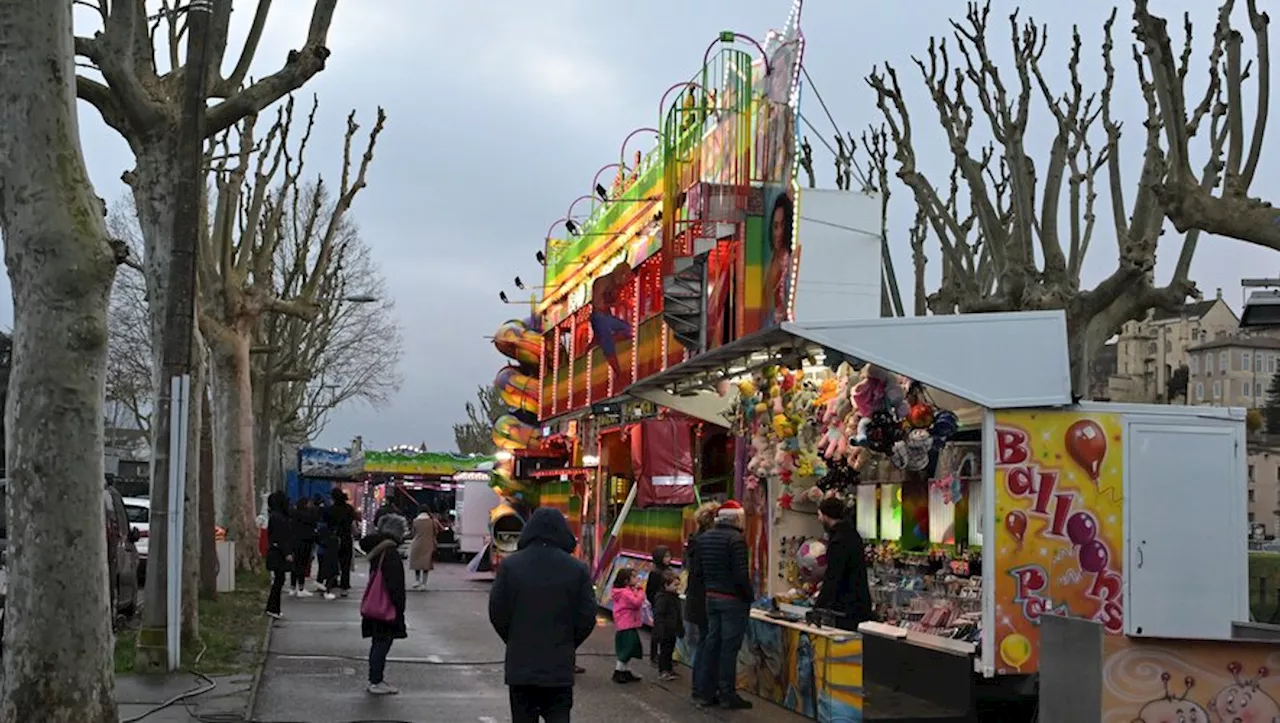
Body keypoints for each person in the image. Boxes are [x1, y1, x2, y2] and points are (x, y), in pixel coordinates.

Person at [489, 508, 596, 723]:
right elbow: (587, 617)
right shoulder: (577, 569)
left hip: (521, 666)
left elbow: (497, 612)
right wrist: (568, 642)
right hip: (558, 667)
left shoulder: (510, 566)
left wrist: (514, 638)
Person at [690, 499, 754, 710]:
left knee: (712, 643)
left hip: (711, 596)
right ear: (736, 518)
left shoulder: (704, 538)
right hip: (732, 600)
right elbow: (741, 575)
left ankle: (706, 692)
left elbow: (698, 571)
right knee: (729, 648)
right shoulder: (736, 540)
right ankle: (727, 693)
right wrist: (748, 597)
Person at [360, 513, 409, 695]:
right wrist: (399, 609)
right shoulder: (391, 553)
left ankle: (375, 679)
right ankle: (376, 680)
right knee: (382, 643)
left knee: (377, 642)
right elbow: (395, 585)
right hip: (386, 606)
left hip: (376, 604)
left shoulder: (378, 550)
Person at [815, 496, 874, 631]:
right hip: (860, 603)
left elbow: (833, 577)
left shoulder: (838, 541)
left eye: (819, 515)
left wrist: (819, 606)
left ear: (826, 516)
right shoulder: (852, 534)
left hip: (846, 608)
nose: (819, 519)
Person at [684, 502, 718, 667]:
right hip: (706, 596)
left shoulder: (694, 541)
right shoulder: (708, 543)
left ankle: (699, 681)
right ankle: (703, 682)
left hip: (695, 596)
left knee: (700, 640)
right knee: (706, 639)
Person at [589, 264, 634, 379]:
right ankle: (618, 372)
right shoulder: (601, 282)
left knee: (628, 330)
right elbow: (598, 305)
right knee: (608, 341)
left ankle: (601, 342)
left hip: (606, 317)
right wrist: (618, 304)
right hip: (599, 317)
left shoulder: (614, 285)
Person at [763, 193, 794, 324]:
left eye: (783, 225)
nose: (778, 232)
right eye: (775, 226)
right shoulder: (771, 262)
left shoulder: (791, 263)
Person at [610, 568, 645, 684]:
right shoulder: (625, 593)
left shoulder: (623, 591)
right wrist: (640, 591)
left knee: (629, 648)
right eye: (634, 577)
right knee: (627, 649)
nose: (637, 579)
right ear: (626, 581)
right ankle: (619, 671)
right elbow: (636, 603)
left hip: (626, 623)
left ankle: (625, 670)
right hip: (627, 624)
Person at [264, 491, 293, 620]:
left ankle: (274, 607)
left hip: (276, 552)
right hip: (278, 553)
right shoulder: (278, 518)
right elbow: (280, 537)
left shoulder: (275, 516)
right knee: (279, 581)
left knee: (279, 580)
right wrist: (287, 553)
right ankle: (273, 607)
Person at [652, 570, 684, 682]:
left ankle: (669, 669)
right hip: (665, 629)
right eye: (675, 585)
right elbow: (659, 615)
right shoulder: (662, 598)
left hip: (672, 629)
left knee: (669, 650)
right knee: (665, 651)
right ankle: (663, 670)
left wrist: (680, 628)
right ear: (666, 585)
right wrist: (660, 630)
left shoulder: (674, 597)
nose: (677, 587)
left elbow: (678, 615)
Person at [326, 488, 358, 596]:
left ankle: (331, 584)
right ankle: (344, 587)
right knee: (345, 564)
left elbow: (327, 524)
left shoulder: (330, 509)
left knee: (332, 563)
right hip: (346, 538)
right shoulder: (349, 509)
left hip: (333, 538)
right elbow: (353, 524)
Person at [644, 545, 672, 667]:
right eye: (666, 556)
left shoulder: (668, 571)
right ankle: (654, 655)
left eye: (669, 556)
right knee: (657, 631)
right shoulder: (655, 573)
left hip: (668, 605)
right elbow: (650, 590)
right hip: (659, 605)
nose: (668, 558)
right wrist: (655, 602)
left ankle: (664, 655)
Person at [408, 508, 443, 590]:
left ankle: (417, 580)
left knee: (417, 563)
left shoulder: (415, 521)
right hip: (429, 544)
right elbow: (438, 530)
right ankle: (424, 583)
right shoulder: (432, 521)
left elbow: (413, 533)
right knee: (426, 564)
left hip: (417, 543)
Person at [289, 498, 318, 597]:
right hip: (306, 542)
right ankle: (301, 587)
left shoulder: (294, 514)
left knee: (295, 565)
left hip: (294, 541)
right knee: (303, 565)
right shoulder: (309, 516)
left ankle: (292, 587)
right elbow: (314, 522)